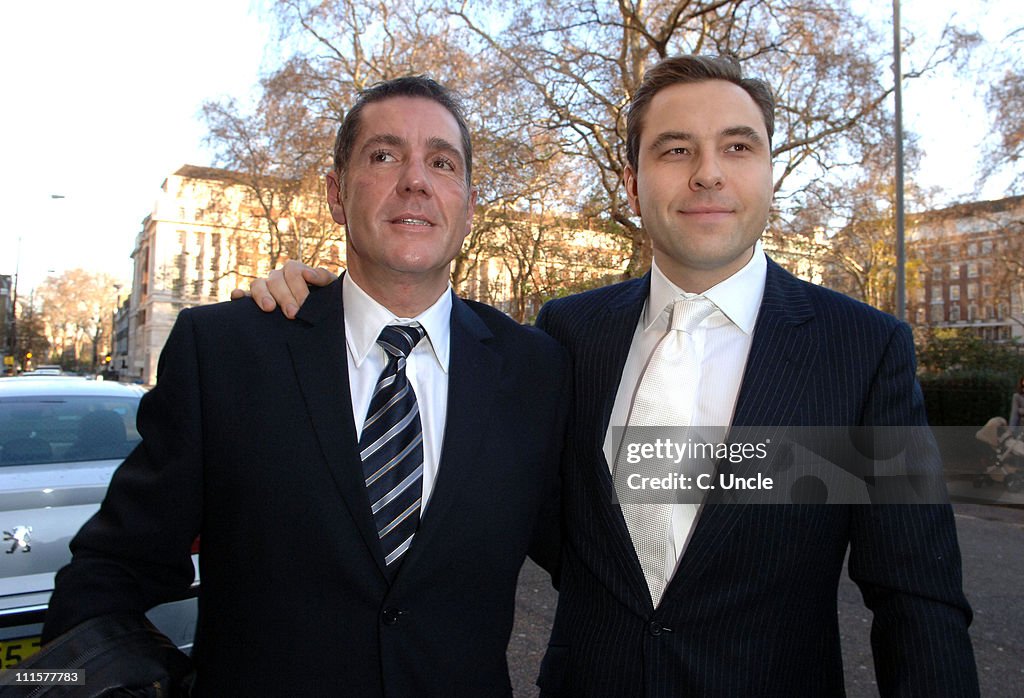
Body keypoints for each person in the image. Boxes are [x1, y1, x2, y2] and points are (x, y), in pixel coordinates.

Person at [248, 56, 978, 696]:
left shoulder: (864, 349)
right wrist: (323, 305)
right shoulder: (566, 337)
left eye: (737, 146)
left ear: (768, 172)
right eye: (674, 149)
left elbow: (918, 599)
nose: (708, 172)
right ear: (632, 184)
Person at [41, 76, 569, 697]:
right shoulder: (227, 353)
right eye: (384, 155)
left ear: (469, 204)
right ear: (336, 195)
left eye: (441, 162)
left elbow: (603, 555)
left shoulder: (535, 370)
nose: (415, 180)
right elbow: (110, 572)